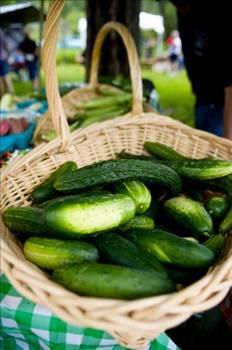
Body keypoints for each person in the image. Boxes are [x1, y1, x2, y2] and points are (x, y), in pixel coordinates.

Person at [170, 0, 232, 140]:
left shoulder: (219, 15)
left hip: (221, 103)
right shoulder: (184, 12)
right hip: (203, 97)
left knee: (219, 155)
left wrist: (229, 137)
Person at [0, 29, 14, 96]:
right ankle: (10, 94)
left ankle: (3, 95)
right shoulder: (1, 32)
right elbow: (6, 45)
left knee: (2, 78)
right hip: (3, 58)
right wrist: (8, 55)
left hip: (3, 58)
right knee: (6, 76)